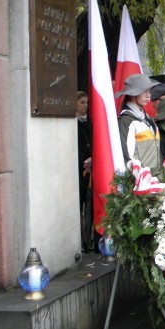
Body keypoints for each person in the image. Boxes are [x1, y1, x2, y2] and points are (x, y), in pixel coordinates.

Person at [115, 73, 161, 169]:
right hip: (140, 180)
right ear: (133, 93)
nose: (148, 95)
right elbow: (128, 158)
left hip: (156, 178)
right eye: (144, 91)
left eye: (149, 91)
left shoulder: (148, 118)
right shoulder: (126, 120)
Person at [76, 91, 94, 252]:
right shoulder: (74, 123)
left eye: (87, 102)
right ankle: (82, 240)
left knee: (89, 205)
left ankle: (89, 239)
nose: (85, 105)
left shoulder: (89, 122)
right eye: (82, 102)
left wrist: (92, 158)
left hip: (91, 168)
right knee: (80, 204)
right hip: (79, 169)